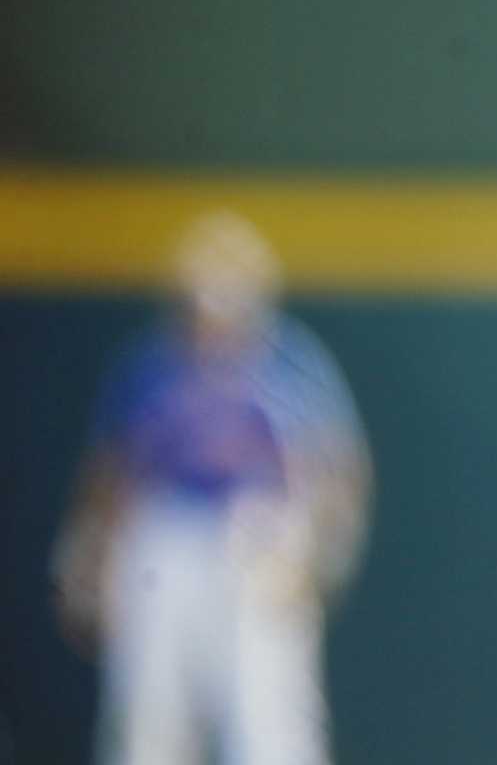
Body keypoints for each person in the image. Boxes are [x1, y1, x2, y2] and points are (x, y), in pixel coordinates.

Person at [52, 212, 372, 765]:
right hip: (163, 541)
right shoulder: (150, 367)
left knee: (266, 720)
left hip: (258, 539)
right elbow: (112, 472)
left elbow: (340, 472)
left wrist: (321, 557)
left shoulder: (291, 365)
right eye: (202, 294)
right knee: (149, 719)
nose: (214, 312)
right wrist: (89, 553)